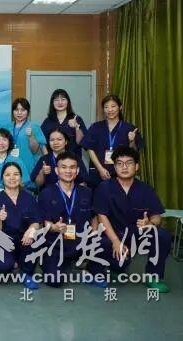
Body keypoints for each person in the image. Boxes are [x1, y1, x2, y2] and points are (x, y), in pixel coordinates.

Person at [91, 147, 171, 293]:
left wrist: (150, 223)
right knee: (108, 252)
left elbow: (157, 216)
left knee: (162, 235)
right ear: (115, 167)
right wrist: (116, 241)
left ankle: (153, 276)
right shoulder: (104, 188)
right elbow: (101, 216)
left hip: (136, 235)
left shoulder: (146, 190)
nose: (124, 167)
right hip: (112, 235)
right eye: (119, 163)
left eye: (129, 163)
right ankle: (111, 267)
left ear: (136, 166)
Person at [37, 152, 97, 287]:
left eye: (72, 167)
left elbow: (94, 216)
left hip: (81, 241)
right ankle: (56, 263)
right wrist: (54, 227)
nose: (68, 171)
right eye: (63, 167)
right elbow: (45, 222)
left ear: (77, 170)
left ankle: (88, 265)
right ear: (57, 170)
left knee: (103, 243)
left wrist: (93, 233)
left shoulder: (87, 192)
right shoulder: (46, 193)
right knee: (54, 281)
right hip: (55, 244)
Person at [0, 162, 41, 289]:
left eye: (16, 174)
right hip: (3, 241)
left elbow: (36, 221)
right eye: (7, 175)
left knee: (36, 236)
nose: (12, 178)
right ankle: (11, 262)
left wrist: (31, 231)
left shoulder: (29, 198)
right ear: (2, 178)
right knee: (2, 268)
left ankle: (26, 272)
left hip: (24, 240)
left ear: (21, 177)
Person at [82, 94, 143, 187]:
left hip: (121, 174)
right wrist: (100, 169)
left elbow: (133, 153)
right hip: (98, 173)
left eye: (113, 106)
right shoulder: (95, 127)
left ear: (120, 107)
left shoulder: (129, 128)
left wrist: (132, 141)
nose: (110, 110)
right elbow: (89, 148)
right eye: (106, 107)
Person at [41, 89, 87, 159]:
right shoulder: (47, 121)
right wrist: (47, 158)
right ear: (52, 103)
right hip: (53, 161)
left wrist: (77, 127)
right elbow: (42, 143)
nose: (60, 103)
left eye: (63, 99)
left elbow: (82, 142)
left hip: (73, 160)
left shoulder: (76, 119)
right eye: (56, 100)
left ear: (68, 102)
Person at [8, 98, 47, 173]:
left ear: (28, 111)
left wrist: (31, 136)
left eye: (23, 110)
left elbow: (40, 150)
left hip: (29, 165)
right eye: (16, 110)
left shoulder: (34, 127)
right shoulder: (7, 127)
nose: (19, 113)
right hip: (11, 166)